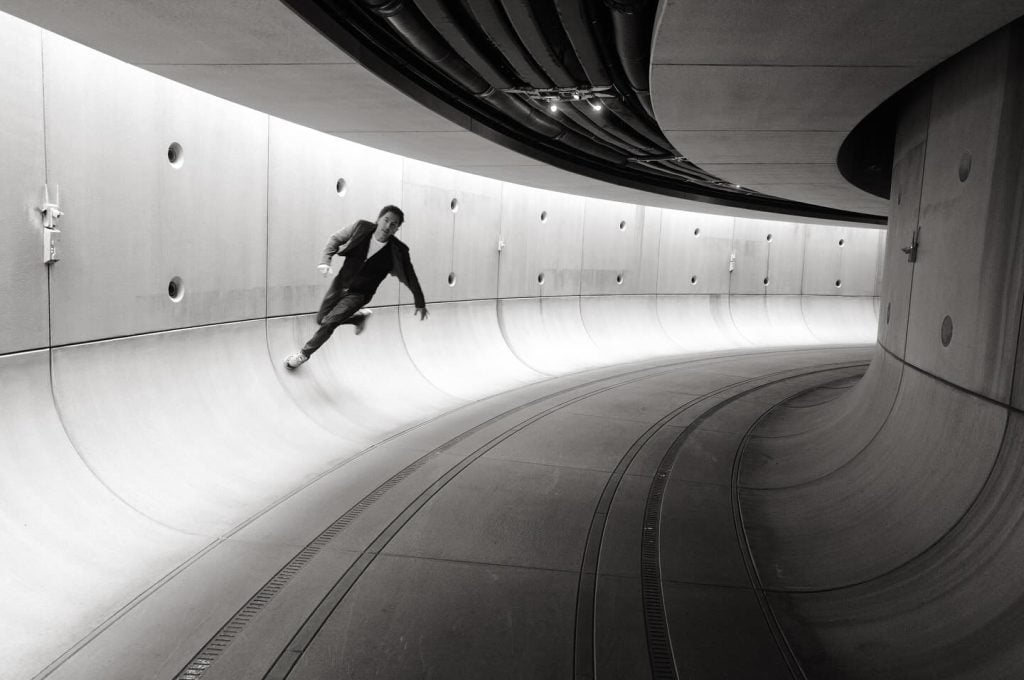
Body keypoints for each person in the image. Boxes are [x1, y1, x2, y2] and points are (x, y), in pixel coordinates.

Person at [285, 205, 428, 369]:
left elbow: (411, 277)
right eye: (386, 220)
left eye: (393, 224)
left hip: (360, 294)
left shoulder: (398, 251)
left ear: (397, 229)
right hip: (340, 284)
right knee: (321, 319)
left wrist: (420, 302)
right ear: (378, 219)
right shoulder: (361, 227)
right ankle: (358, 317)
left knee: (329, 322)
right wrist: (325, 260)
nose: (387, 226)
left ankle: (303, 354)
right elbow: (335, 239)